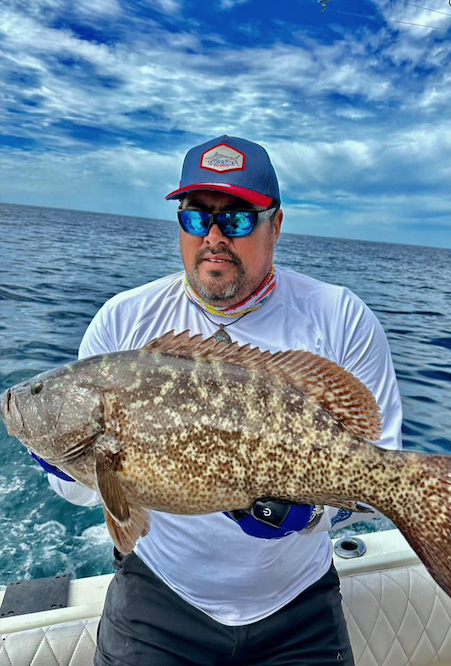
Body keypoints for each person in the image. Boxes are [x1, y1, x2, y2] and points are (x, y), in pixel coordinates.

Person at [42, 135, 403, 665]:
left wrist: (305, 515)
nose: (213, 237)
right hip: (158, 598)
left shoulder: (340, 317)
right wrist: (62, 453)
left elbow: (380, 481)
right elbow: (78, 494)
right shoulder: (122, 321)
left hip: (299, 604)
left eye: (236, 219)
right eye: (195, 218)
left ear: (275, 226)